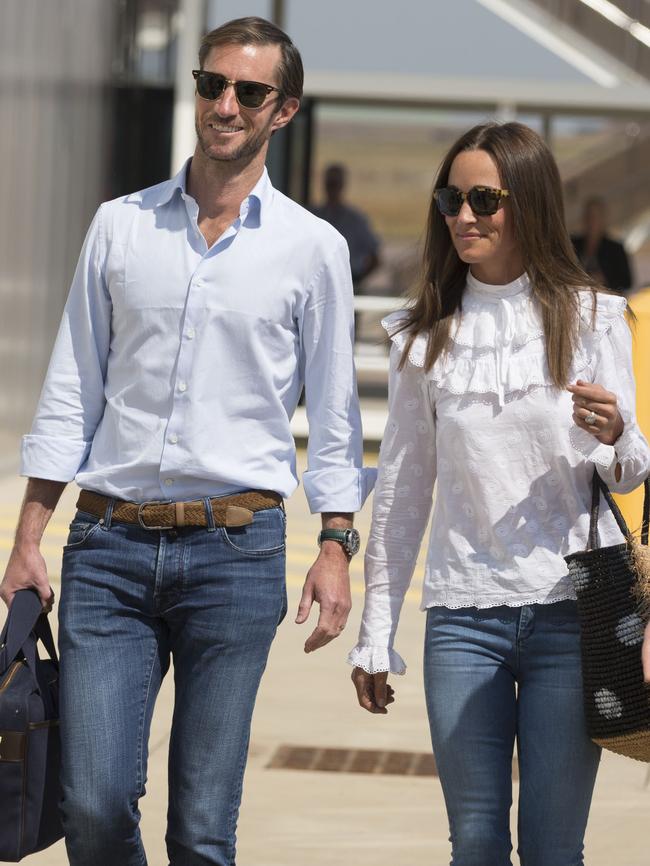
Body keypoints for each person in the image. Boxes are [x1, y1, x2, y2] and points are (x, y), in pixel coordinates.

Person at [0, 17, 374, 866]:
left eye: (250, 91)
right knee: (92, 805)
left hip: (237, 557)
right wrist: (30, 537)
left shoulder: (313, 250)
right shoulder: (119, 227)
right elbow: (71, 388)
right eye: (213, 84)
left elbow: (338, 416)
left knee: (202, 828)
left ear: (283, 110)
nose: (226, 104)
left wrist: (336, 546)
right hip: (109, 548)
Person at [348, 122, 649, 866]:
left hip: (572, 613)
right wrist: (375, 628)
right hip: (462, 619)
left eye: (485, 197)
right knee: (475, 845)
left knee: (552, 850)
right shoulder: (425, 338)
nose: (464, 215)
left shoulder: (594, 318)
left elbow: (632, 469)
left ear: (531, 203)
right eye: (452, 197)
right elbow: (404, 489)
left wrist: (615, 436)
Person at [571, 196, 633, 295]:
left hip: (606, 301)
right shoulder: (573, 244)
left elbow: (627, 282)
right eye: (588, 216)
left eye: (595, 216)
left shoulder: (615, 248)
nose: (591, 221)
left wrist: (604, 279)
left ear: (603, 219)